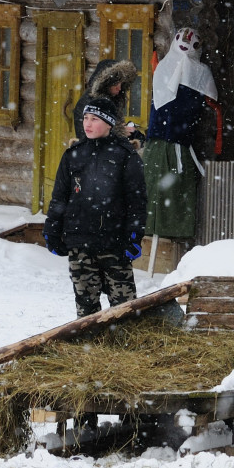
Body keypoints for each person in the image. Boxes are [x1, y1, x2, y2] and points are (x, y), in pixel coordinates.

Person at [44, 96, 147, 318]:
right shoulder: (74, 155)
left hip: (115, 245)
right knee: (86, 311)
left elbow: (137, 202)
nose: (88, 124)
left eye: (95, 119)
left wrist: (134, 237)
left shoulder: (125, 156)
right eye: (85, 118)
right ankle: (87, 348)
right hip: (80, 244)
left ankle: (123, 349)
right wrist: (52, 231)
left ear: (109, 123)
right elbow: (59, 198)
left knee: (124, 311)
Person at [143, 27, 222, 240]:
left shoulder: (199, 71)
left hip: (178, 143)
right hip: (164, 143)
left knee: (172, 194)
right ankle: (158, 236)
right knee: (159, 193)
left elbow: (207, 100)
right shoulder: (166, 68)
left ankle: (171, 238)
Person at [73, 58, 143, 144]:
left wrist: (130, 133)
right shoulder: (90, 102)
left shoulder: (111, 100)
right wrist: (120, 132)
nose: (119, 88)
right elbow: (90, 137)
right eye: (116, 83)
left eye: (121, 83)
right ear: (106, 83)